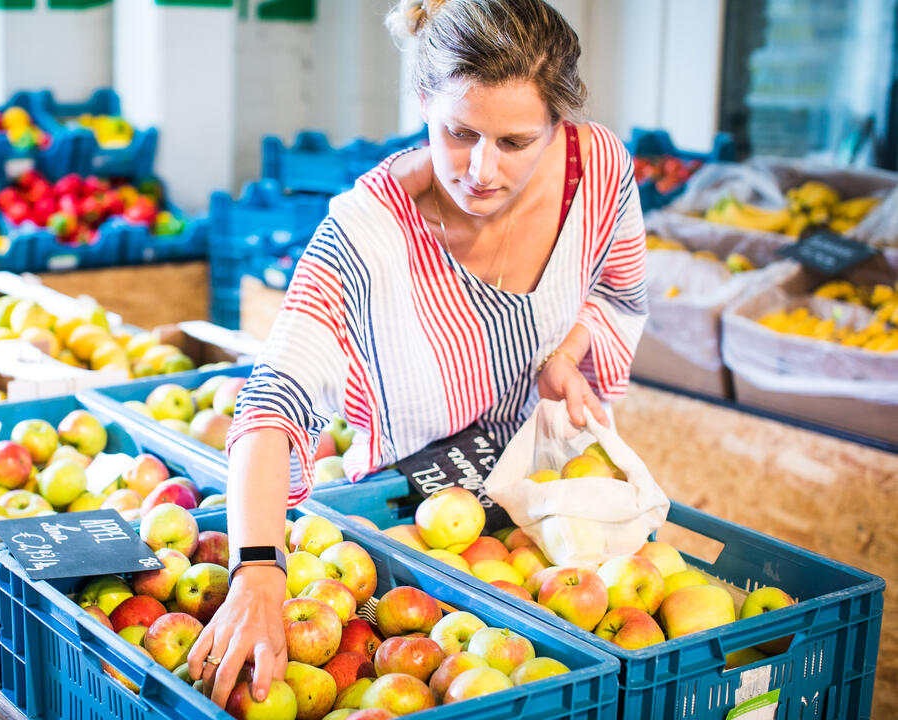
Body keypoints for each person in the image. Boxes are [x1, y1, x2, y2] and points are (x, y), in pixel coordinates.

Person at [189, 0, 648, 707]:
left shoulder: (597, 171)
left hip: (555, 513)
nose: (481, 171)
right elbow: (272, 399)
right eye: (458, 133)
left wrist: (567, 351)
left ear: (559, 126)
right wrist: (256, 567)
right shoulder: (367, 234)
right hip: (413, 546)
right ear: (423, 99)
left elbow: (614, 290)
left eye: (516, 142)